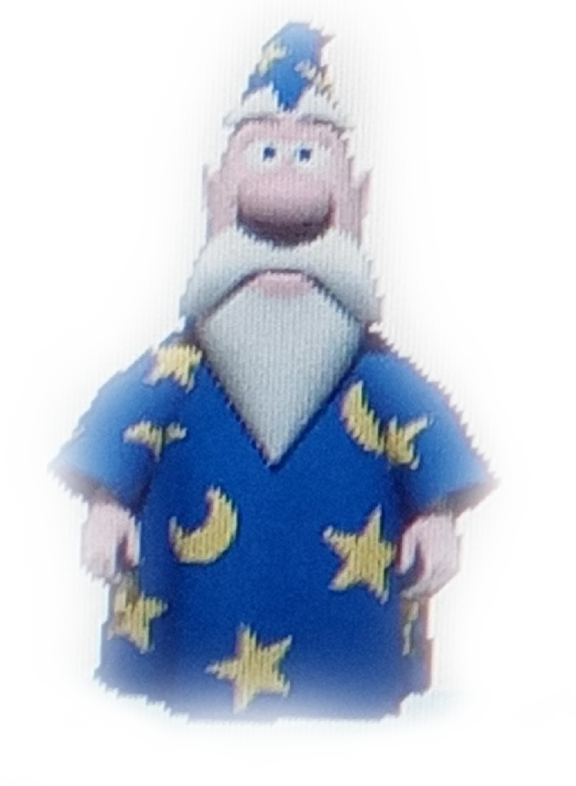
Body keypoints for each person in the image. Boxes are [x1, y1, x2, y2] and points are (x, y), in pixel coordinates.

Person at [47, 21, 499, 722]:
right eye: (264, 155)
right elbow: (123, 425)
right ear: (212, 194)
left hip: (347, 633)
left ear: (360, 201)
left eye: (307, 157)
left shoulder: (377, 379)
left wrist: (436, 516)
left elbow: (427, 436)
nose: (284, 196)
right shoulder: (177, 370)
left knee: (347, 734)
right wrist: (109, 502)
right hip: (195, 623)